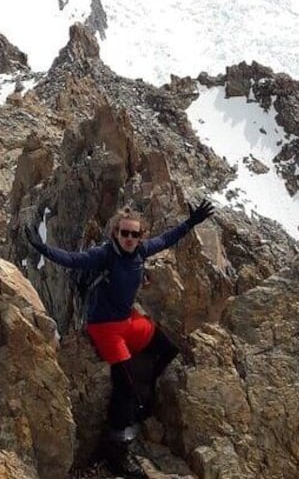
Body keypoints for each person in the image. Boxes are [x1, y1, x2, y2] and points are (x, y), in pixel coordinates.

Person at [25, 199, 215, 478]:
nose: (129, 238)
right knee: (124, 388)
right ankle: (117, 454)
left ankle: (143, 397)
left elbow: (166, 238)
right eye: (124, 233)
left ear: (140, 237)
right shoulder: (104, 254)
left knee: (167, 349)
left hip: (128, 321)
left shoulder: (142, 251)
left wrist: (191, 223)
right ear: (115, 234)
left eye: (134, 234)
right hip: (104, 327)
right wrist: (42, 248)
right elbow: (74, 259)